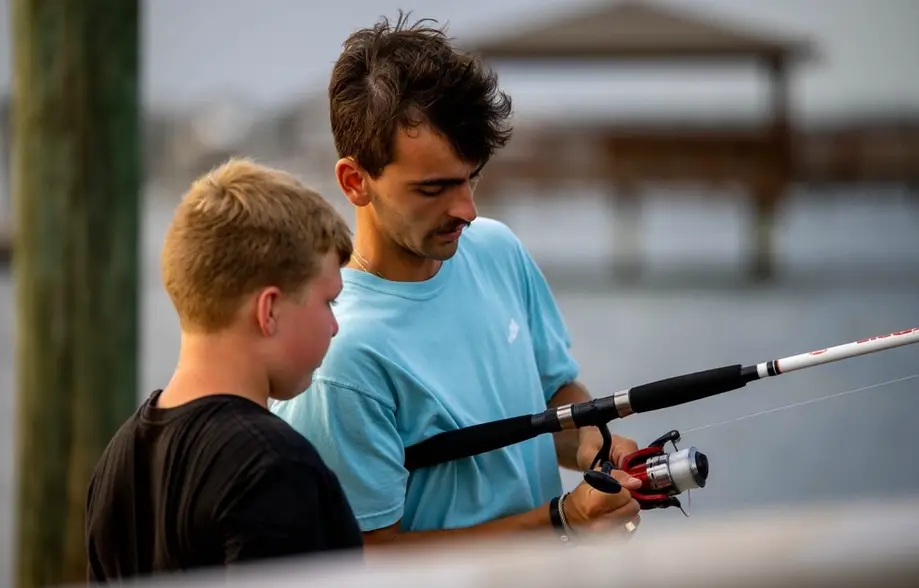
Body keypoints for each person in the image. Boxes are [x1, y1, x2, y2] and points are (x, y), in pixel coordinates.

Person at [271, 13, 643, 548]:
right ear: (355, 182)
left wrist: (593, 448)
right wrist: (561, 519)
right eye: (434, 188)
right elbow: (364, 559)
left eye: (471, 179)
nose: (467, 209)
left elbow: (556, 392)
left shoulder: (497, 249)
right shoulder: (340, 358)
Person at [84, 158, 363, 581]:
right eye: (328, 301)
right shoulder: (277, 469)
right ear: (268, 310)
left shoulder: (116, 462)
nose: (334, 325)